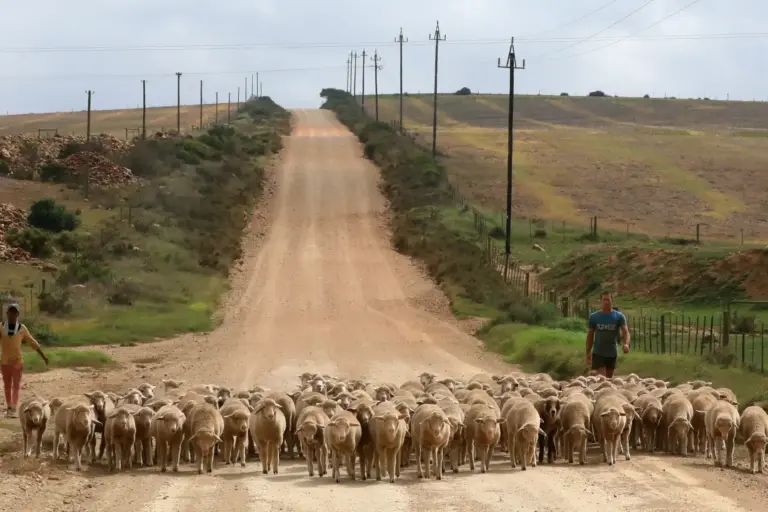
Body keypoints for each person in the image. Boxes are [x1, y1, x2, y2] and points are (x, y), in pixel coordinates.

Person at [0, 304, 48, 418]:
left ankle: (14, 407)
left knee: (16, 385)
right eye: (10, 313)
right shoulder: (1, 327)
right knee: (7, 385)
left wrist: (43, 356)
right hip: (5, 362)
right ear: (7, 314)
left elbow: (32, 342)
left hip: (17, 361)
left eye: (14, 313)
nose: (12, 315)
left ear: (18, 314)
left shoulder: (22, 328)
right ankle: (9, 407)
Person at [585, 292, 630, 378]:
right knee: (601, 378)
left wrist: (626, 344)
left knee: (609, 380)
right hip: (598, 352)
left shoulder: (619, 316)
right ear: (601, 301)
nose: (606, 302)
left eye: (608, 300)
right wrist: (588, 352)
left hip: (612, 353)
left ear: (612, 300)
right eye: (604, 300)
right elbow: (590, 335)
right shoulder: (594, 317)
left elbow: (626, 332)